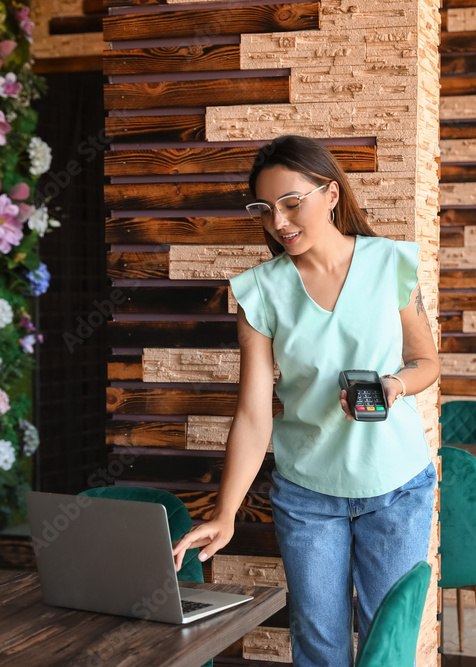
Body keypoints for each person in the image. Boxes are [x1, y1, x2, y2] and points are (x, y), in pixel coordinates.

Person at [171, 135, 439, 666]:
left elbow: (426, 362)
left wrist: (394, 386)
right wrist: (225, 512)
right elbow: (252, 414)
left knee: (389, 649)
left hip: (397, 485)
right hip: (309, 496)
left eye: (292, 203)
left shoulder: (392, 265)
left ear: (332, 194)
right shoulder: (260, 292)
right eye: (265, 210)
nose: (280, 222)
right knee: (319, 651)